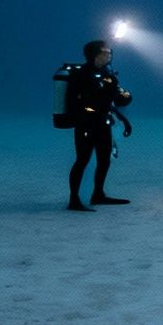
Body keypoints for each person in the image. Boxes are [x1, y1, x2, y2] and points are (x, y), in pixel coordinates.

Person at [65, 39, 133, 212]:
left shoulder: (108, 75)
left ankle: (98, 195)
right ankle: (74, 200)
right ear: (95, 54)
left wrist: (125, 97)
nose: (109, 54)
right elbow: (75, 100)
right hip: (86, 124)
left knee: (104, 160)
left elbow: (118, 99)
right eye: (105, 52)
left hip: (103, 123)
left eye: (110, 52)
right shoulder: (81, 74)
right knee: (82, 160)